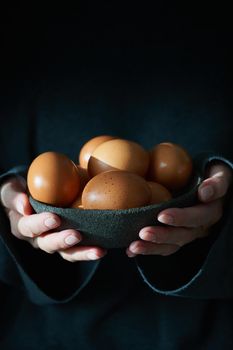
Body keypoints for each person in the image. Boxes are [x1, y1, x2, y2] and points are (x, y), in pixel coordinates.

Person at [1, 5, 233, 349]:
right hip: (52, 335)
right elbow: (21, 171)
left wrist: (222, 211)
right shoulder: (22, 30)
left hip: (203, 331)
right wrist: (15, 208)